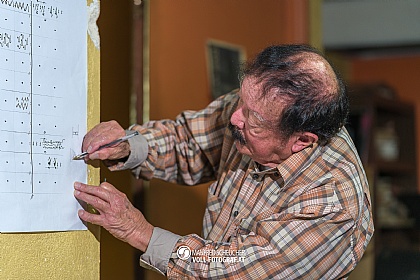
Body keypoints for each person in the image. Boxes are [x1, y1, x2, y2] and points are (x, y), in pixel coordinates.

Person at [74, 44, 374, 279]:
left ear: (302, 141)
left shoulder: (331, 204)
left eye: (253, 122)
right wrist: (128, 146)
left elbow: (235, 268)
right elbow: (190, 142)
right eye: (241, 101)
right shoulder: (258, 104)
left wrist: (138, 232)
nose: (235, 118)